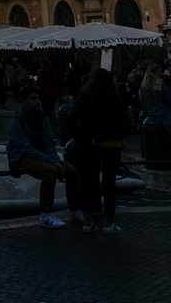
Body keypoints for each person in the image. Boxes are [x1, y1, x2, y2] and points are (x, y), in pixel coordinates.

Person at [6, 84, 80, 228]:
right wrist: (50, 162)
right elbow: (25, 148)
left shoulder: (43, 118)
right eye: (33, 99)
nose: (38, 101)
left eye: (38, 98)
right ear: (24, 102)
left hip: (42, 157)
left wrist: (54, 159)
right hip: (20, 158)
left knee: (72, 171)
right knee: (50, 172)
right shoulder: (16, 122)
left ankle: (74, 210)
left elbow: (49, 143)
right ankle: (45, 214)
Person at [69, 69, 129, 233]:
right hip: (112, 144)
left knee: (90, 183)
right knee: (110, 185)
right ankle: (109, 224)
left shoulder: (86, 95)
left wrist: (80, 137)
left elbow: (71, 116)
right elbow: (125, 121)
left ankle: (88, 222)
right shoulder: (115, 96)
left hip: (92, 144)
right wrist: (118, 135)